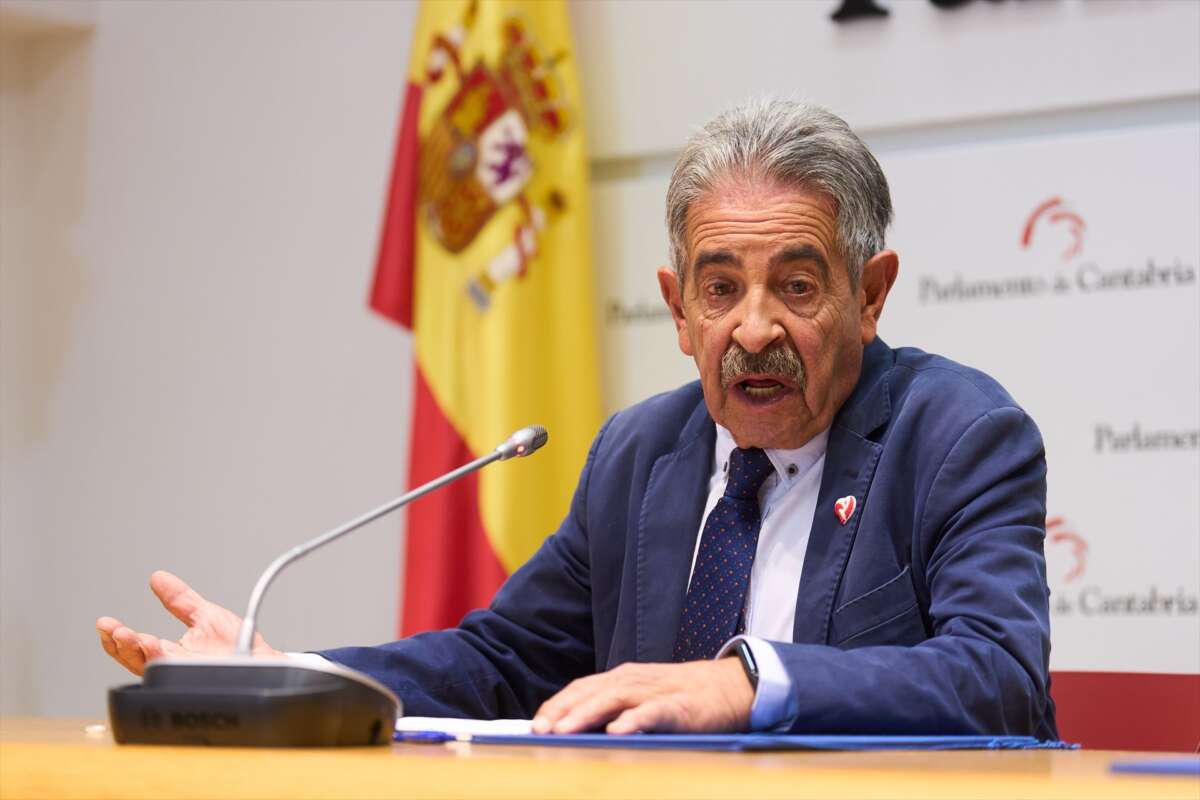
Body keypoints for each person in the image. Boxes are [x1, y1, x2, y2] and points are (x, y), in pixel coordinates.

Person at [97, 99, 1058, 739]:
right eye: (720, 289)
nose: (753, 327)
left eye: (797, 287)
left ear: (871, 295)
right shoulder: (642, 453)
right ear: (678, 311)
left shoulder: (957, 436)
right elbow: (503, 661)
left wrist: (745, 683)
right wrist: (291, 669)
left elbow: (1000, 675)